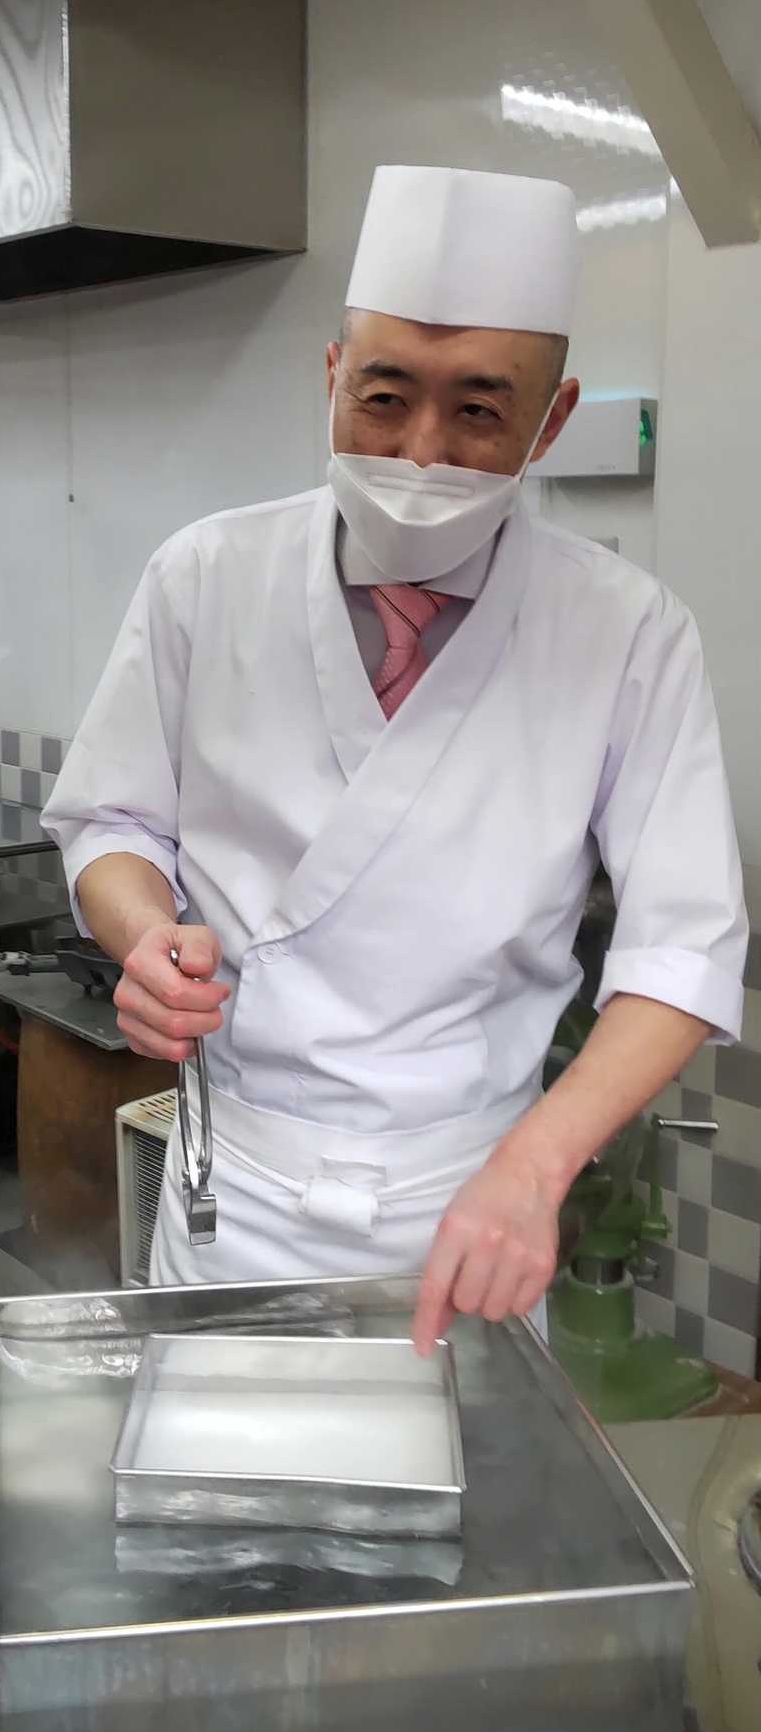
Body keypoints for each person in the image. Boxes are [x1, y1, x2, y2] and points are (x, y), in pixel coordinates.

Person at [43, 165, 747, 1351]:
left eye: (478, 411)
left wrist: (538, 1164)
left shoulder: (626, 632)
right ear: (331, 377)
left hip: (471, 1213)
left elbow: (685, 952)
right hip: (233, 1197)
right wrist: (143, 934)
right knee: (210, 1465)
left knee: (446, 1473)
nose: (421, 452)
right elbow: (111, 821)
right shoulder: (207, 577)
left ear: (552, 419)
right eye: (383, 397)